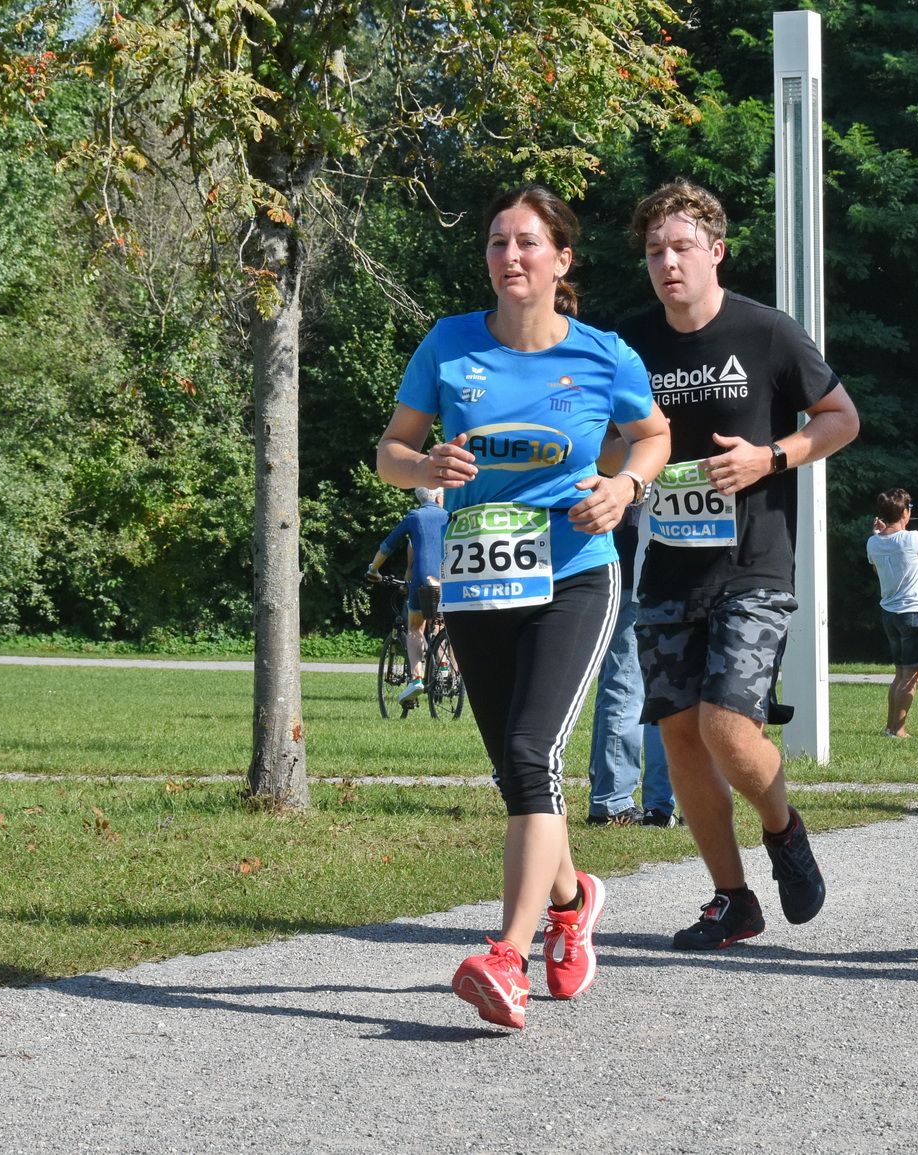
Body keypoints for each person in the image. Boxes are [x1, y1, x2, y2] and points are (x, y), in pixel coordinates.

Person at [376, 184, 670, 1028]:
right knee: (518, 768)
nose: (511, 256)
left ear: (561, 261)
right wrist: (423, 467)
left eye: (529, 243)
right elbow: (391, 451)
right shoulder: (449, 344)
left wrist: (624, 486)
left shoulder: (604, 353)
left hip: (574, 572)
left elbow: (653, 434)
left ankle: (505, 954)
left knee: (532, 749)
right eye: (499, 242)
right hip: (477, 581)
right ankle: (574, 901)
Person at [618, 180, 860, 951]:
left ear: (715, 250)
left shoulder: (766, 332)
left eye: (682, 246)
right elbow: (602, 437)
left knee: (728, 724)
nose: (667, 262)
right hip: (667, 564)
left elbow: (842, 419)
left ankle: (783, 829)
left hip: (753, 562)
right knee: (680, 735)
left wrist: (771, 457)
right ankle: (732, 899)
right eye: (655, 251)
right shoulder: (627, 346)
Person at [585, 507, 677, 827]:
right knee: (628, 687)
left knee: (634, 687)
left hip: (630, 569)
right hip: (635, 572)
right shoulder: (639, 463)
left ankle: (645, 802)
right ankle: (614, 801)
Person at [366, 486, 449, 705]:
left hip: (423, 578)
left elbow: (388, 545)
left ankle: (417, 679)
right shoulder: (451, 514)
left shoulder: (415, 516)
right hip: (451, 578)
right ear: (440, 497)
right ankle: (445, 667)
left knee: (415, 627)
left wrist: (373, 570)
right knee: (441, 623)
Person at [867, 487, 918, 737]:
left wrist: (878, 533)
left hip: (890, 615)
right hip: (913, 613)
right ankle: (900, 729)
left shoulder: (873, 541)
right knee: (911, 677)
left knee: (899, 674)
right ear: (905, 512)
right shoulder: (914, 538)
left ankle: (890, 727)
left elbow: (877, 571)